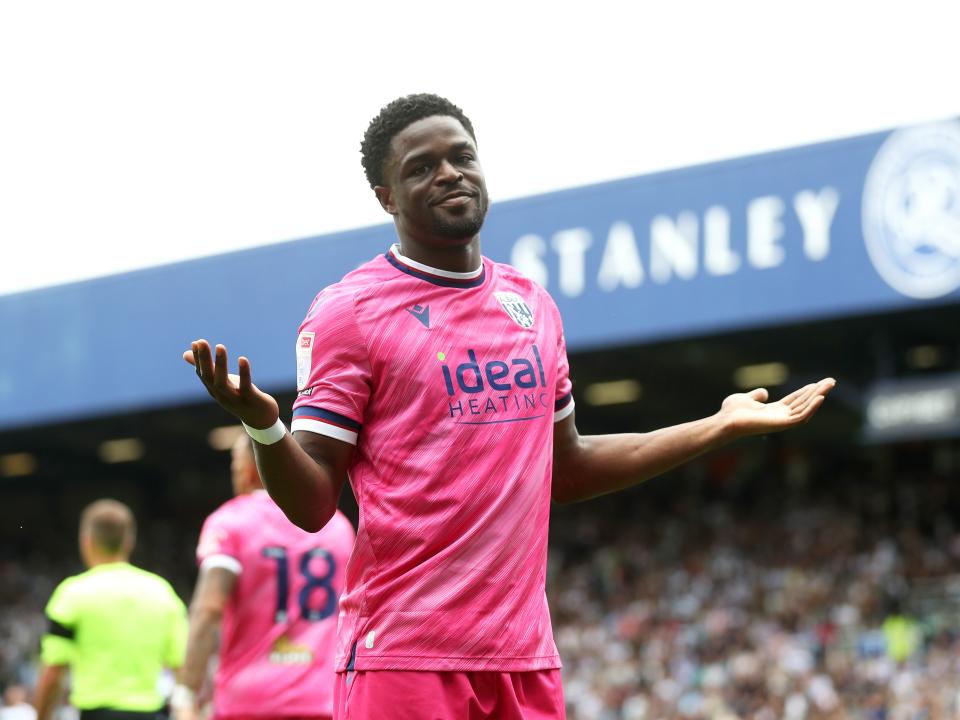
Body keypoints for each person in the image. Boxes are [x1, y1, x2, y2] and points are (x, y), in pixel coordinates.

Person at [183, 93, 835, 719]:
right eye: (421, 167)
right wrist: (265, 426)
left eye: (461, 156)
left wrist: (715, 427)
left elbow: (570, 468)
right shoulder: (349, 312)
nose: (449, 173)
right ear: (385, 196)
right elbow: (315, 502)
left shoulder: (533, 307)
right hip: (404, 660)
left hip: (525, 661)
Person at [171, 434, 354, 720]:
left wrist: (185, 693)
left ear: (248, 469)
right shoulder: (339, 528)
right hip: (324, 700)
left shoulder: (232, 521)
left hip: (250, 703)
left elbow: (208, 610)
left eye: (234, 467)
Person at [33, 499, 187, 720]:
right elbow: (182, 669)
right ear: (129, 541)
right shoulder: (162, 593)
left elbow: (53, 673)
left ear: (86, 541)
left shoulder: (72, 594)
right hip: (151, 714)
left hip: (96, 714)